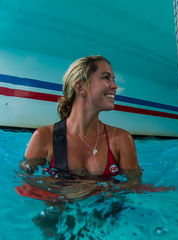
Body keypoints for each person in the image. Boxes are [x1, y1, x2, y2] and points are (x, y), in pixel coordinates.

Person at [18, 55, 142, 200]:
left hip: (105, 215)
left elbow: (134, 183)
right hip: (60, 215)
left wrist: (98, 190)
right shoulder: (44, 137)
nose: (115, 86)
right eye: (106, 78)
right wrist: (61, 191)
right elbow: (25, 181)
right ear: (80, 87)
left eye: (113, 79)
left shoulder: (121, 139)